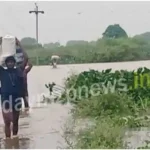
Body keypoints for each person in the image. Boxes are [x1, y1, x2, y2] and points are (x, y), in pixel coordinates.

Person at [0, 54, 27, 139]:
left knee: (15, 121)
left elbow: (26, 58)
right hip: (5, 98)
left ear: (14, 63)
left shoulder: (18, 70)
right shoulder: (2, 72)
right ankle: (8, 140)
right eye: (8, 62)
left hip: (16, 98)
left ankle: (15, 139)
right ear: (6, 64)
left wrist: (19, 44)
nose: (10, 64)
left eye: (12, 62)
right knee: (7, 122)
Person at [15, 38, 32, 109]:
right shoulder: (14, 70)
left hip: (23, 92)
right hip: (18, 92)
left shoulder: (23, 70)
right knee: (19, 108)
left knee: (26, 106)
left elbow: (26, 58)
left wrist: (20, 44)